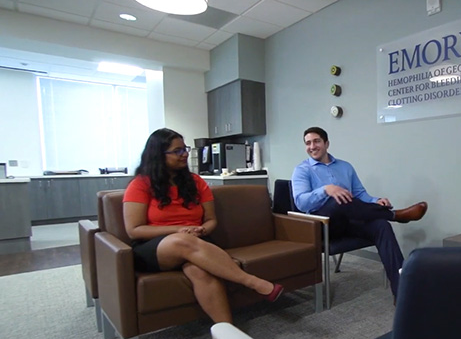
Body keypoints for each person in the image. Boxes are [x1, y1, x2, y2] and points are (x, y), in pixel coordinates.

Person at [123, 128, 283, 324]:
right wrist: (178, 230)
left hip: (196, 240)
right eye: (177, 151)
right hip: (154, 247)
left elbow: (211, 219)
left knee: (200, 271)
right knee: (181, 240)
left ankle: (227, 335)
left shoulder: (196, 182)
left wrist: (203, 229)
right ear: (158, 155)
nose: (184, 155)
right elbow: (134, 229)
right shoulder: (140, 184)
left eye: (185, 149)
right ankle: (252, 282)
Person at [291, 126, 428, 298]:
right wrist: (327, 189)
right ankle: (396, 215)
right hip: (323, 227)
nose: (312, 146)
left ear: (326, 143)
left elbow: (360, 195)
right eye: (308, 143)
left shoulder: (345, 167)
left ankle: (403, 293)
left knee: (381, 226)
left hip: (348, 222)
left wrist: (375, 201)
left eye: (316, 141)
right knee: (337, 198)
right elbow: (301, 203)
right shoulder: (302, 170)